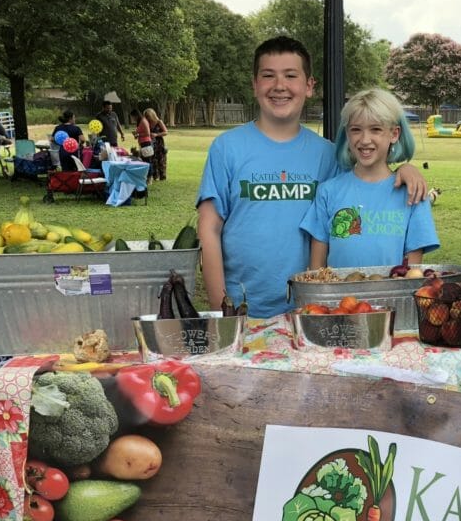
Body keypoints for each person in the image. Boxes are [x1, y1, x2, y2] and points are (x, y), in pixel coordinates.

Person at [196, 35, 426, 319]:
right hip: (244, 308)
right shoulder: (227, 148)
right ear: (255, 84)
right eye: (268, 76)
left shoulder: (328, 155)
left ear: (309, 86)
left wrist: (405, 168)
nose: (279, 86)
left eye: (290, 76)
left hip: (314, 309)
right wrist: (223, 307)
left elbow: (370, 178)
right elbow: (209, 229)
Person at [300, 88, 439, 270]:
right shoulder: (328, 192)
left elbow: (413, 274)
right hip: (338, 299)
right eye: (356, 129)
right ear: (347, 134)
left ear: (394, 134)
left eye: (376, 129)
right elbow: (316, 269)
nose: (365, 140)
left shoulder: (413, 194)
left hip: (392, 298)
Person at [143, 107, 168, 181]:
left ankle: (162, 176)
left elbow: (166, 132)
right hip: (150, 143)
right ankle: (155, 176)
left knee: (161, 159)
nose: (147, 118)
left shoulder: (159, 122)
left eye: (148, 116)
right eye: (146, 117)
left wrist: (156, 135)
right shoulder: (147, 123)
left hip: (159, 143)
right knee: (153, 159)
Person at [129, 108, 153, 179]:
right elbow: (141, 132)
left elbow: (148, 133)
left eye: (132, 117)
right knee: (144, 160)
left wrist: (138, 135)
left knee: (147, 161)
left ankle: (149, 177)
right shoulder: (140, 122)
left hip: (146, 143)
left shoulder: (143, 121)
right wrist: (136, 134)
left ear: (136, 115)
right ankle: (146, 176)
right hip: (142, 143)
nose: (132, 119)